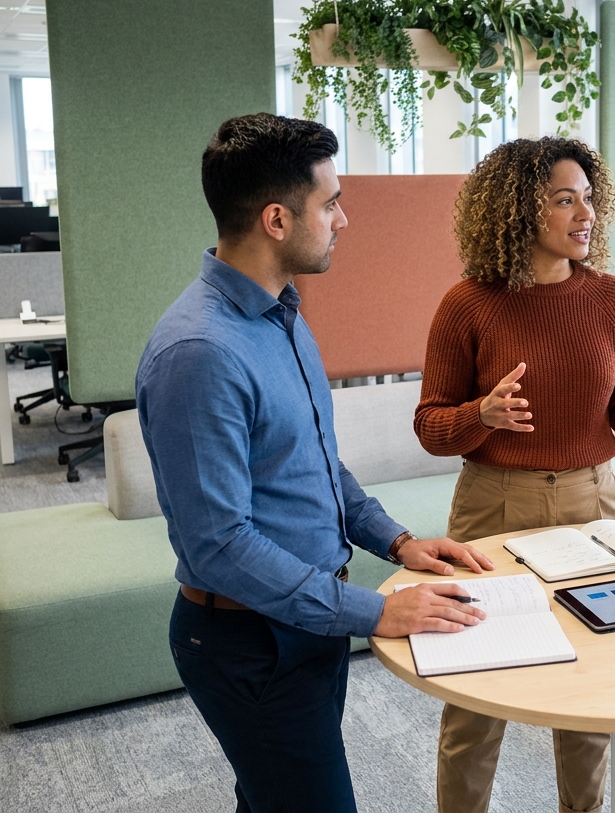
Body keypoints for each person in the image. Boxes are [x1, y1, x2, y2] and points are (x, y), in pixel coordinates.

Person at [137, 113, 494, 813]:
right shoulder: (200, 353)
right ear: (276, 219)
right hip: (251, 641)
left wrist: (397, 541)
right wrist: (375, 612)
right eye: (330, 203)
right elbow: (219, 546)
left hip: (307, 622)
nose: (344, 220)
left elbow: (315, 465)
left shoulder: (284, 315)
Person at [415, 136, 615, 813]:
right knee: (477, 692)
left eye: (588, 198)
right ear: (518, 210)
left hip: (595, 503)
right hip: (495, 505)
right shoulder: (467, 304)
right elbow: (430, 427)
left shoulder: (612, 298)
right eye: (565, 199)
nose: (585, 213)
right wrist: (481, 414)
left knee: (593, 683)